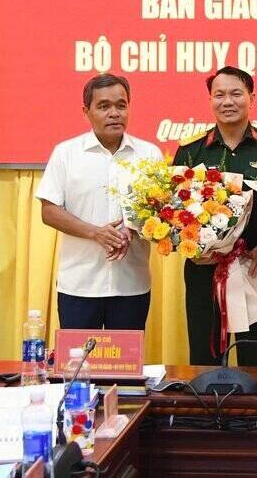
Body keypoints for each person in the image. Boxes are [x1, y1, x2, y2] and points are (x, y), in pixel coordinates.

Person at [173, 66, 257, 366]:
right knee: (205, 361)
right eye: (219, 95)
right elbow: (174, 214)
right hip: (204, 271)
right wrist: (192, 250)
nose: (227, 101)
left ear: (251, 98)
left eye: (236, 94)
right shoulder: (191, 151)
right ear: (210, 100)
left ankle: (254, 401)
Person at [37, 73, 163, 330]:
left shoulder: (149, 154)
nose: (114, 113)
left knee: (126, 357)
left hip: (131, 284)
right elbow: (49, 211)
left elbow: (161, 212)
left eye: (121, 105)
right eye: (104, 106)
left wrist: (133, 228)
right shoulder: (66, 153)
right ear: (86, 111)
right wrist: (96, 233)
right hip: (79, 284)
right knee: (77, 356)